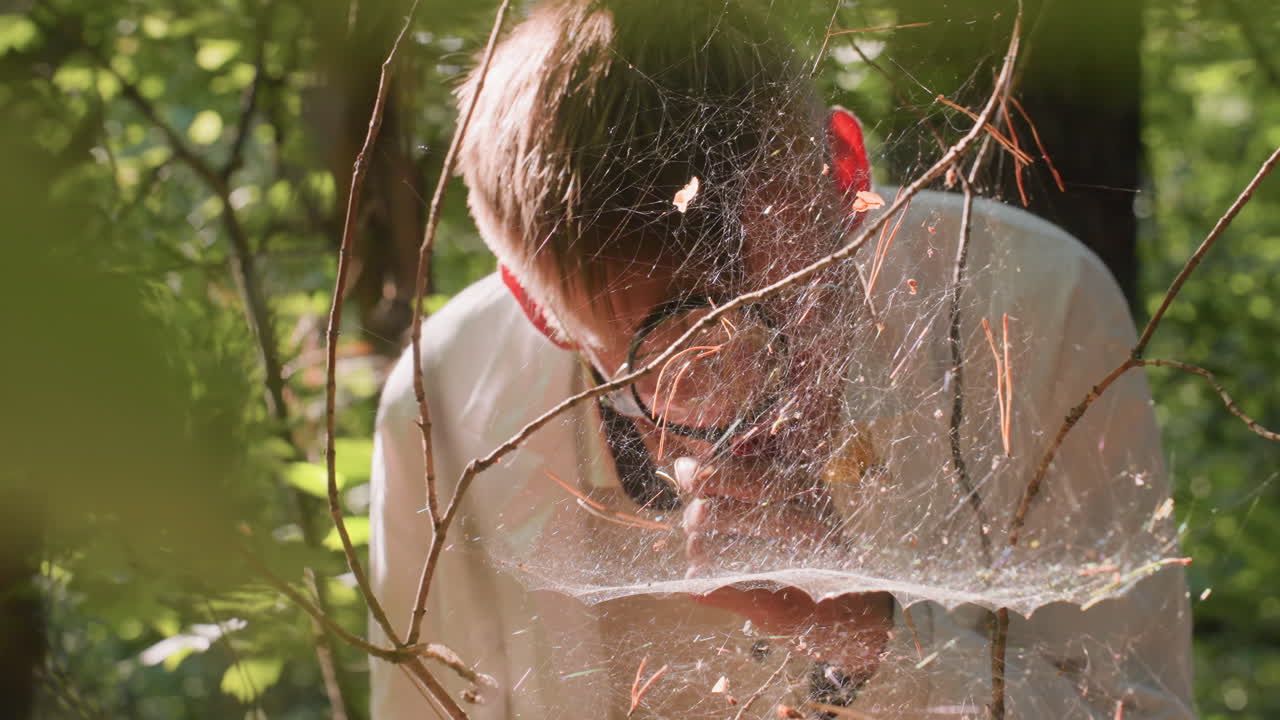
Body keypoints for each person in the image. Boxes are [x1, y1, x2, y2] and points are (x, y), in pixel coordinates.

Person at [369, 1, 1194, 717]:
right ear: (533, 304)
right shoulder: (445, 400)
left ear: (846, 171)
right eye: (669, 361)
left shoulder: (1034, 305)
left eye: (785, 310)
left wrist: (881, 640)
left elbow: (1140, 707)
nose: (749, 393)